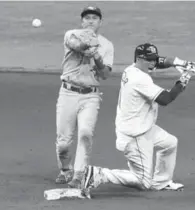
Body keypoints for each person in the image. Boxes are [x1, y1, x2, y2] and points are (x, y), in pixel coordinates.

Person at [81, 43, 195, 198]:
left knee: (169, 144)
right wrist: (185, 77)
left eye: (153, 59)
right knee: (143, 182)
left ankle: (162, 182)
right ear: (140, 59)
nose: (153, 63)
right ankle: (99, 174)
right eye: (149, 60)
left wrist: (181, 63)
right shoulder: (139, 79)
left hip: (144, 128)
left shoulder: (132, 68)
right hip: (135, 135)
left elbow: (162, 61)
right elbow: (165, 99)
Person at [55, 6, 114, 189]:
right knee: (63, 143)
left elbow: (104, 75)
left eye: (94, 18)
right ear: (82, 21)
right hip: (68, 93)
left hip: (91, 96)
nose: (90, 21)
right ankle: (66, 169)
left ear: (100, 22)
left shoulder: (107, 45)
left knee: (86, 134)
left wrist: (96, 57)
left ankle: (79, 174)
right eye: (87, 17)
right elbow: (75, 45)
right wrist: (87, 47)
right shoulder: (71, 34)